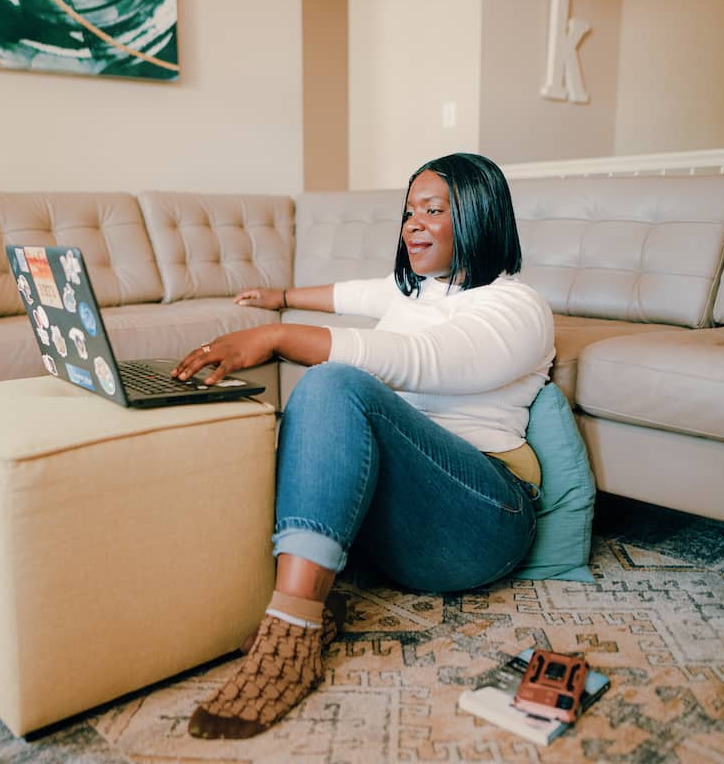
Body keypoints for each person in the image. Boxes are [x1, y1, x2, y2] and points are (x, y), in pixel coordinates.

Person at [171, 152, 556, 739]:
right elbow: (353, 293)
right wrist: (278, 296)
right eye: (408, 211)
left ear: (478, 216)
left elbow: (418, 361)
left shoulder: (516, 306)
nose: (412, 224)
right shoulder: (416, 292)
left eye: (433, 210)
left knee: (334, 379)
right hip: (401, 527)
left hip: (482, 520)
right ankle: (311, 593)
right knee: (311, 404)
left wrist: (278, 335)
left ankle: (291, 632)